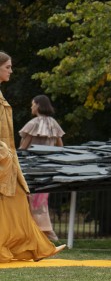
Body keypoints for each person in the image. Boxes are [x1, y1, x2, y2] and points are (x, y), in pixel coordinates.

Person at [0, 52, 63, 262]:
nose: (11, 70)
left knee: (20, 202)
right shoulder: (49, 123)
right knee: (20, 203)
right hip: (7, 159)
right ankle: (35, 246)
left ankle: (36, 247)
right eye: (7, 67)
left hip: (12, 161)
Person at [19, 94, 64, 242]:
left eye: (32, 104)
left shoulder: (33, 124)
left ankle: (45, 234)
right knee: (41, 200)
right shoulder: (54, 124)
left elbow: (23, 148)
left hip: (31, 169)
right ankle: (43, 234)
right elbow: (60, 147)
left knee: (31, 200)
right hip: (48, 169)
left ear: (38, 105)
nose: (31, 107)